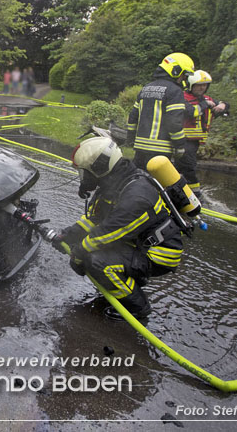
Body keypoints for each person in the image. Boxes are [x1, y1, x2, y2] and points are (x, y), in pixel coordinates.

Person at [51, 137, 185, 319]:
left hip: (159, 253)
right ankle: (124, 281)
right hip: (137, 243)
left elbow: (105, 234)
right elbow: (94, 220)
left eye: (85, 173)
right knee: (90, 254)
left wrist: (78, 254)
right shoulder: (113, 184)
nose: (84, 178)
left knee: (97, 260)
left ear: (99, 168)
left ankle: (137, 306)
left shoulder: (137, 196)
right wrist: (67, 235)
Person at [126, 53, 193, 170]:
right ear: (176, 71)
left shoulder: (145, 88)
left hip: (140, 149)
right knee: (158, 185)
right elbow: (174, 123)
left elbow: (132, 118)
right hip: (161, 151)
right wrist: (179, 146)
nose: (184, 79)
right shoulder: (175, 91)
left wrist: (131, 140)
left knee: (138, 181)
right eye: (184, 75)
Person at [177, 70, 229, 196]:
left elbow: (225, 107)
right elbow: (190, 112)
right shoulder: (182, 98)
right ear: (191, 85)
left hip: (194, 142)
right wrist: (205, 104)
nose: (202, 88)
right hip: (182, 140)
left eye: (205, 85)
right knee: (189, 168)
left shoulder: (206, 99)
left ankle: (180, 191)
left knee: (181, 168)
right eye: (199, 85)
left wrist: (222, 105)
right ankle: (196, 196)